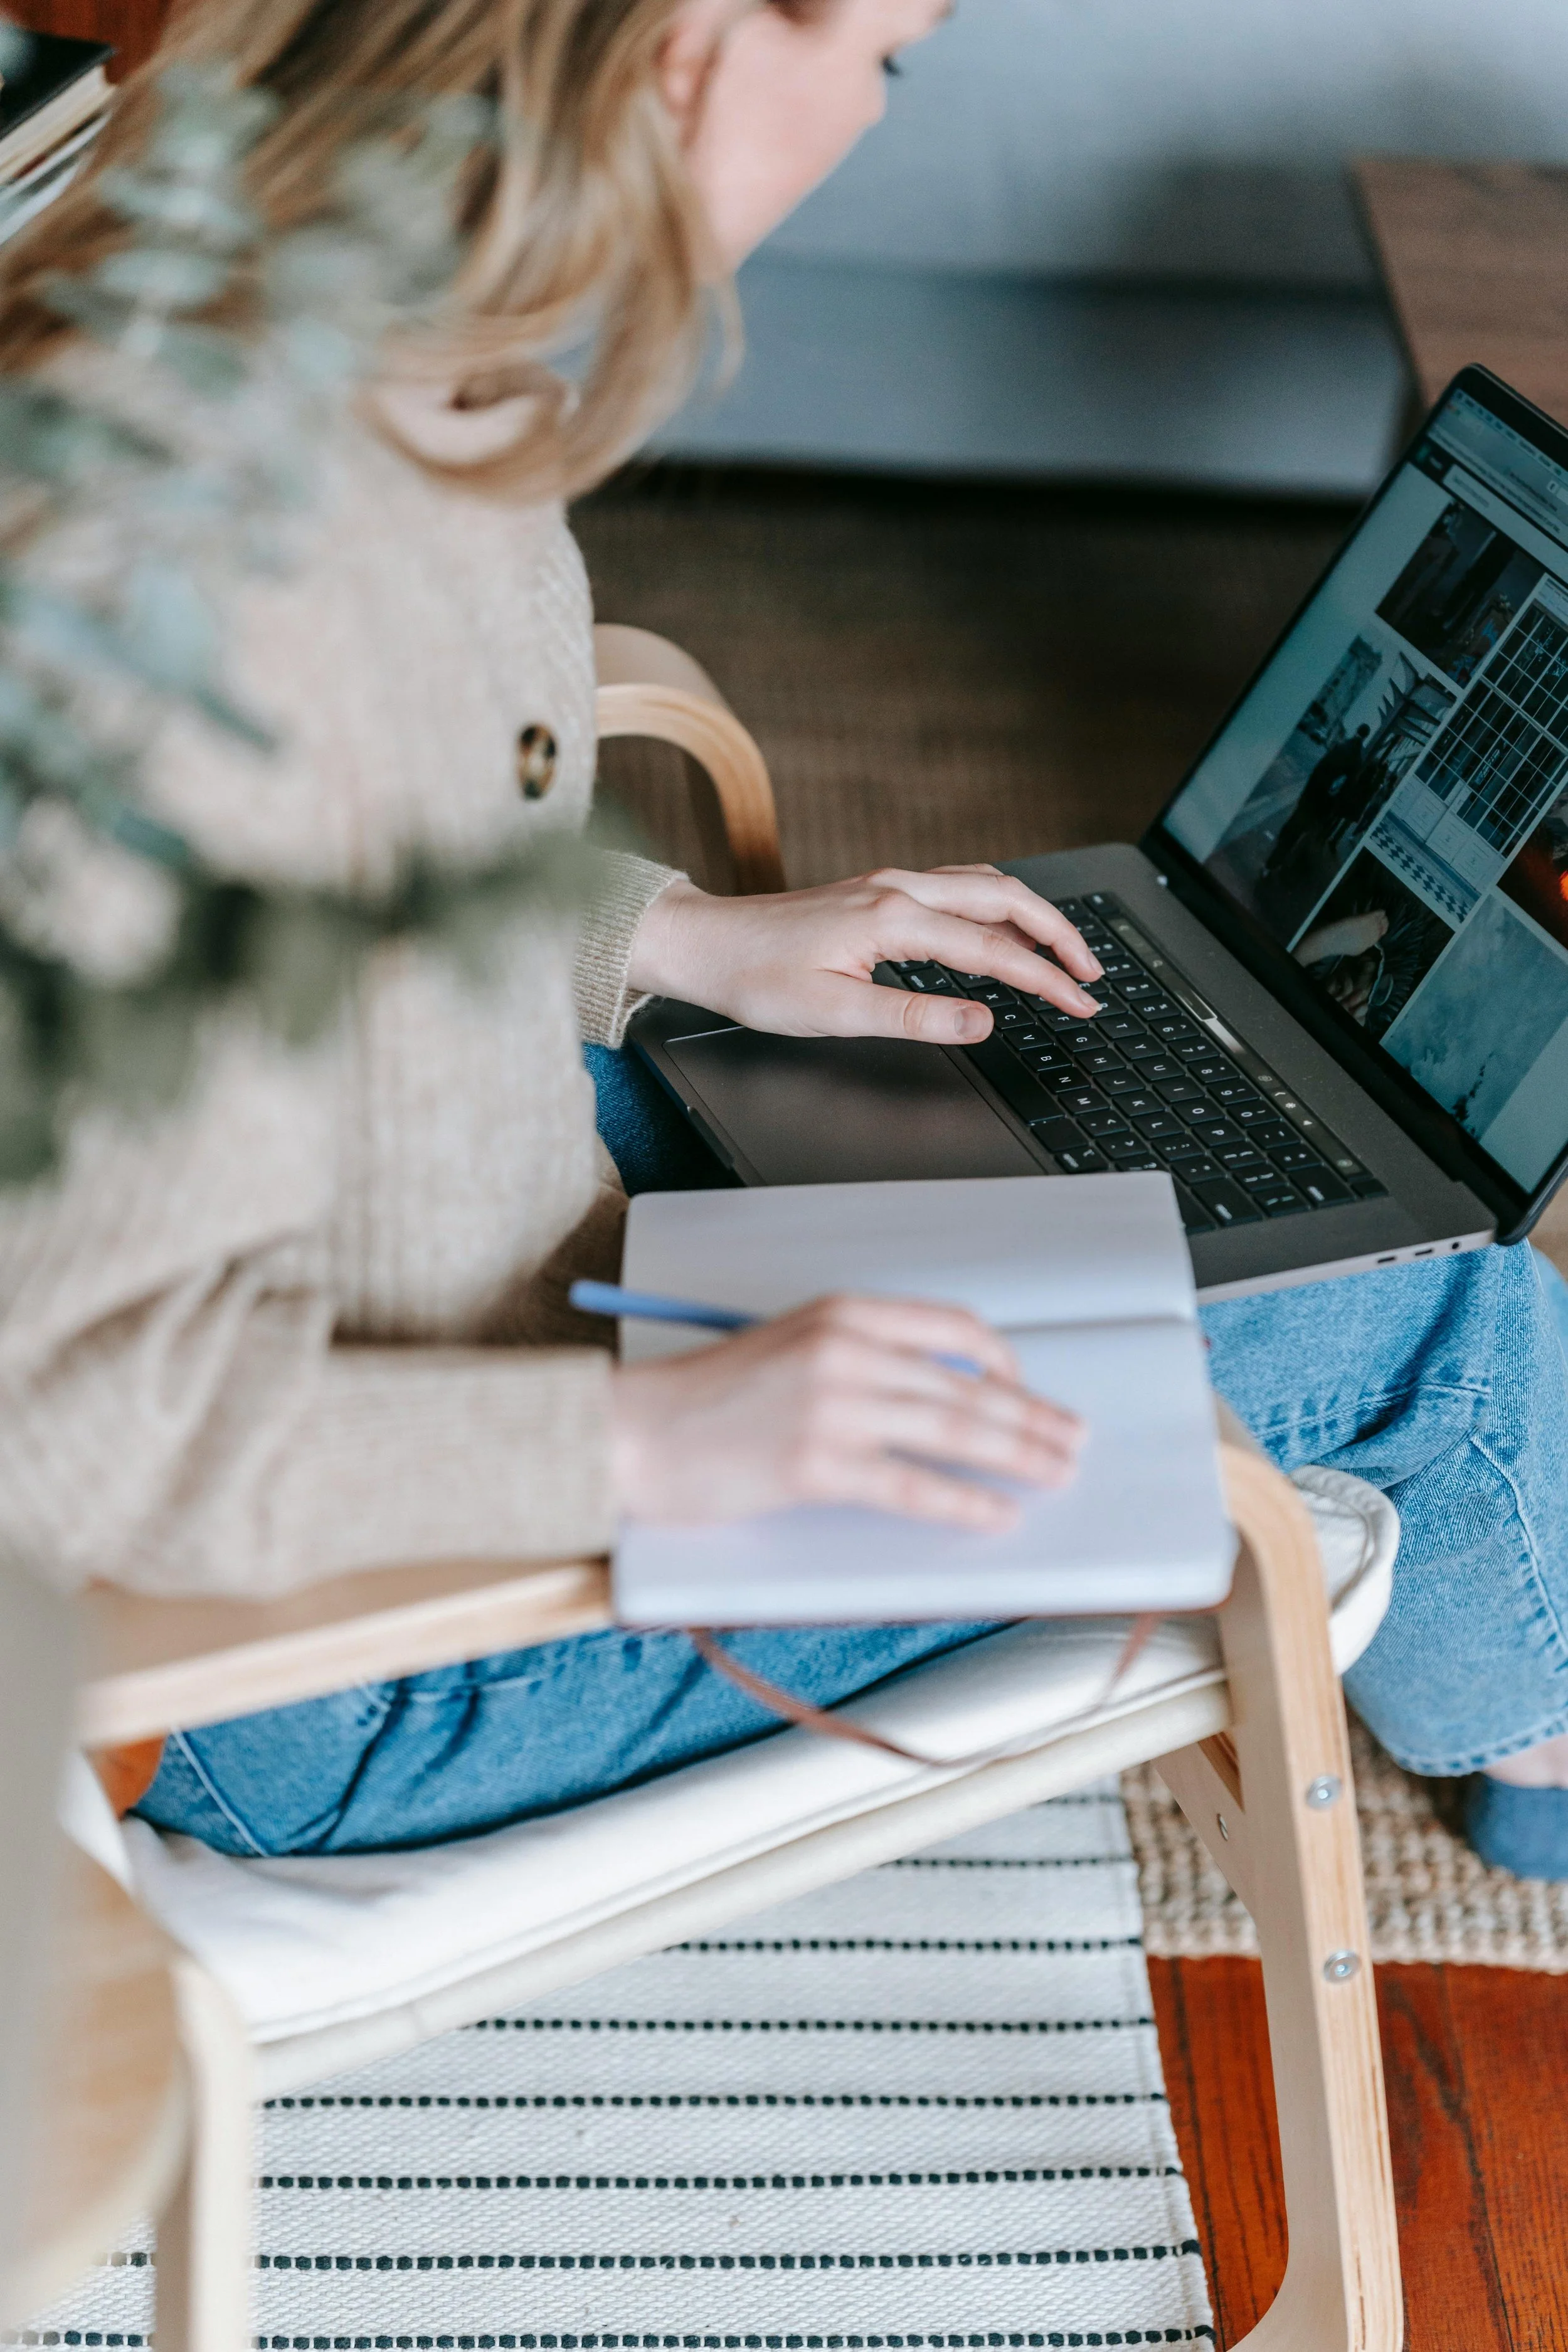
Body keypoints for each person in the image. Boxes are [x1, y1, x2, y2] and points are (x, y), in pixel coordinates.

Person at [3, 0, 1568, 1880]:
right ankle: (1540, 1753)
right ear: (694, 44)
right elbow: (56, 1419)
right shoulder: (218, 565)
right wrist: (671, 1439)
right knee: (1455, 1333)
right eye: (884, 55)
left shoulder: (315, 352)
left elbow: (315, 868)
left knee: (1045, 1106)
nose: (868, 117)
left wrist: (675, 940)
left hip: (494, 1269)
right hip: (314, 1654)